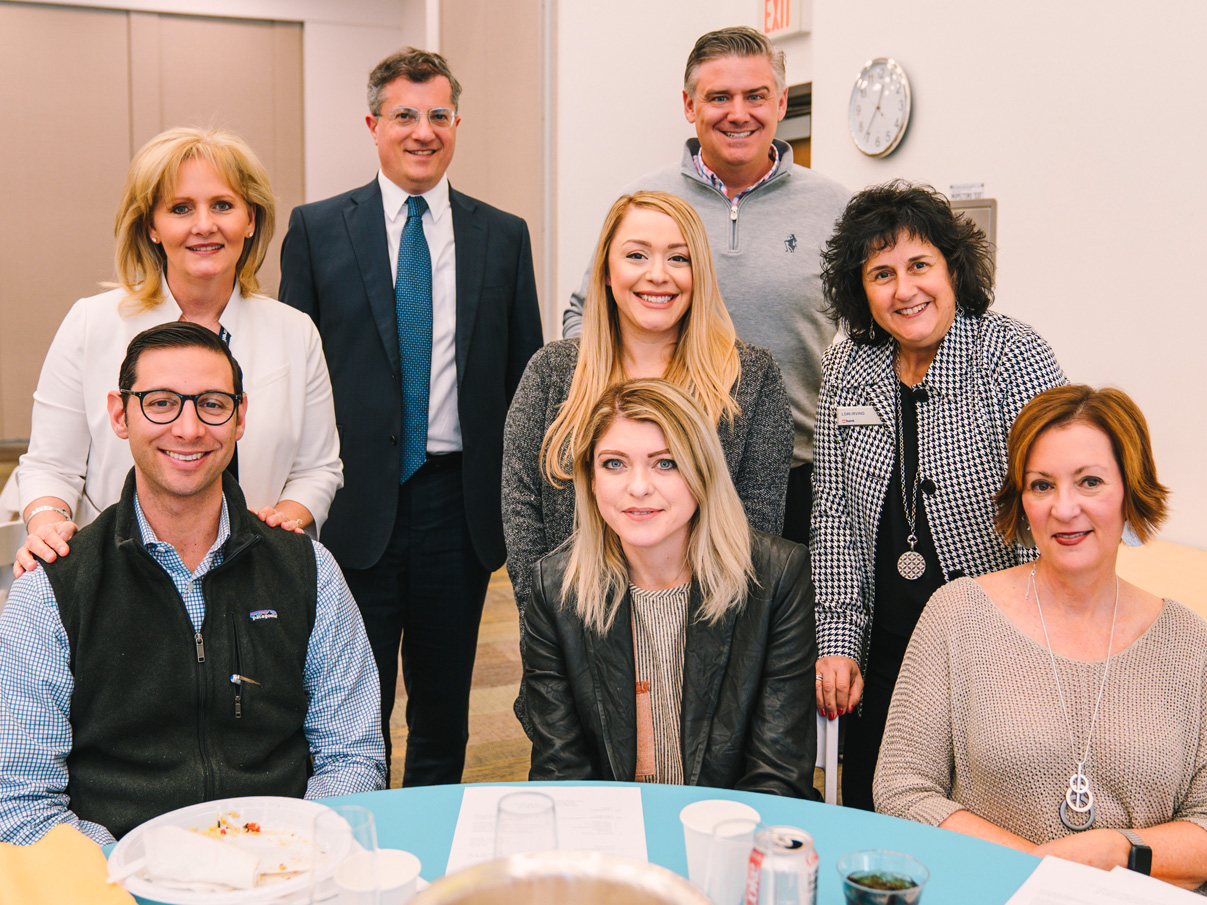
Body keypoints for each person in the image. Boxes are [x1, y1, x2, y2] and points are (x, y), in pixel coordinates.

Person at [0, 323, 385, 846]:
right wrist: (147, 876)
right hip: (123, 882)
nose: (188, 428)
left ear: (240, 416)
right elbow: (22, 806)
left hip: (284, 866)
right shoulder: (51, 592)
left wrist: (286, 856)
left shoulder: (307, 570)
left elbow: (353, 758)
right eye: (160, 403)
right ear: (120, 413)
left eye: (211, 403)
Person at [279, 48, 543, 786]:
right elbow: (292, 371)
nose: (421, 131)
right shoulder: (317, 228)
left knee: (443, 713)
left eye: (437, 115)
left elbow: (526, 379)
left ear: (455, 123)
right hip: (352, 503)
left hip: (456, 510)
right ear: (372, 124)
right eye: (404, 115)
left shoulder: (503, 235)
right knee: (349, 711)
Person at [874, 385, 1207, 891]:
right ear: (1022, 501)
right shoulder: (958, 615)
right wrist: (1042, 875)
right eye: (1042, 485)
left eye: (1090, 481)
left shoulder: (1190, 643)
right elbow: (902, 791)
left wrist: (1120, 850)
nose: (1064, 508)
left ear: (1130, 490)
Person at [812, 180, 1066, 810]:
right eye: (881, 274)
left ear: (953, 268)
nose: (905, 290)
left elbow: (1057, 502)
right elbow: (834, 516)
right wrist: (837, 640)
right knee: (881, 803)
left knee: (980, 810)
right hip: (886, 640)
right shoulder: (848, 364)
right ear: (860, 289)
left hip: (996, 640)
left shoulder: (1009, 352)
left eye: (920, 265)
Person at [503, 190, 792, 735]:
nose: (658, 274)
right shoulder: (550, 376)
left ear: (699, 273)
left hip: (709, 660)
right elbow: (525, 532)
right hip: (578, 656)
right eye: (637, 255)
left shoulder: (748, 379)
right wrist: (561, 646)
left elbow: (756, 531)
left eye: (678, 257)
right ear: (607, 273)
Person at [562, 26, 849, 546]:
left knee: (785, 626)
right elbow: (585, 316)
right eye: (719, 97)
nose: (738, 113)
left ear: (781, 102)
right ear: (689, 105)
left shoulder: (837, 210)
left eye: (755, 96)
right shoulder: (642, 201)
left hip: (804, 479)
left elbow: (865, 336)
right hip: (663, 476)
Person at [8, 127, 341, 575]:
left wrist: (287, 518)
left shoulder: (295, 332)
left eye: (222, 205)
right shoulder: (91, 324)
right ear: (152, 225)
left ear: (251, 219)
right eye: (181, 208)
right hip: (118, 579)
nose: (204, 224)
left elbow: (318, 468)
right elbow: (50, 465)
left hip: (254, 574)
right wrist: (49, 523)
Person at [524, 379, 814, 796]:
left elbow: (778, 776)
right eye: (614, 463)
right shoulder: (556, 590)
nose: (638, 487)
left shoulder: (776, 577)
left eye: (665, 463)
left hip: (731, 839)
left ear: (701, 470)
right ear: (589, 479)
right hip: (610, 842)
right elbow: (561, 775)